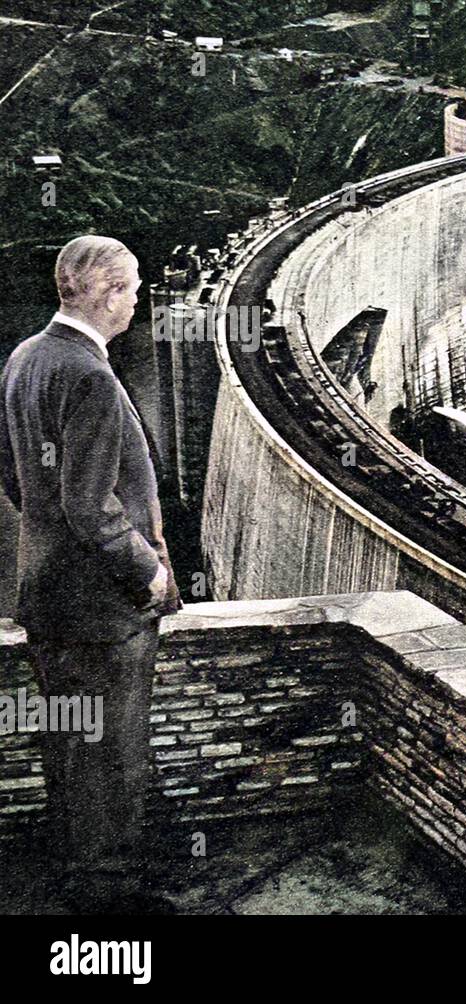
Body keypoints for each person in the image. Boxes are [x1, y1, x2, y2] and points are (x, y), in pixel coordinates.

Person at [0, 235, 182, 913]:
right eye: (132, 289)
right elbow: (91, 504)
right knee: (114, 751)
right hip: (102, 609)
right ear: (109, 293)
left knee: (70, 742)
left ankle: (73, 871)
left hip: (46, 596)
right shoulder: (93, 378)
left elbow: (14, 474)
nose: (137, 301)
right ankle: (110, 896)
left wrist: (46, 535)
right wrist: (150, 573)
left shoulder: (26, 358)